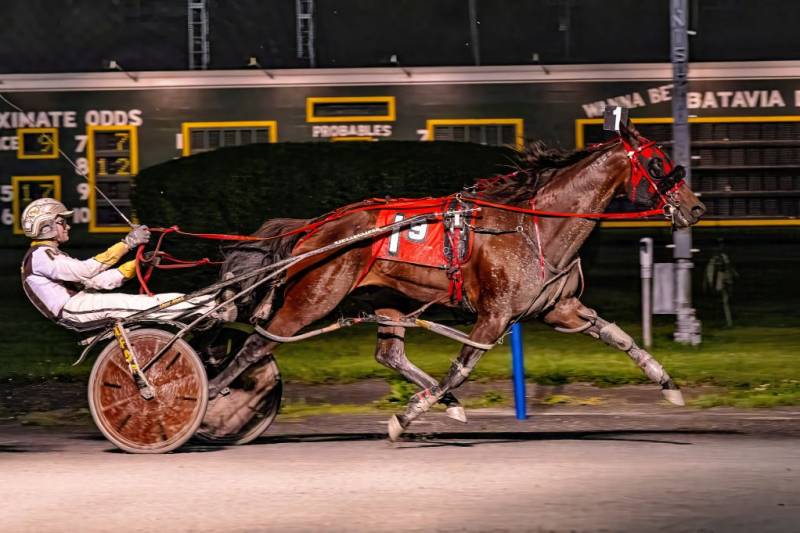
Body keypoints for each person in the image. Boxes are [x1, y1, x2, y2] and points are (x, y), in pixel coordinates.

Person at [20, 197, 217, 327]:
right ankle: (214, 308)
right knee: (148, 306)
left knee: (152, 302)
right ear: (46, 226)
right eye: (62, 222)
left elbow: (97, 281)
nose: (68, 226)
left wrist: (137, 264)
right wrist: (128, 243)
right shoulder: (40, 256)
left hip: (81, 303)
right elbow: (86, 271)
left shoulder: (51, 256)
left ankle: (208, 305)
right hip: (74, 309)